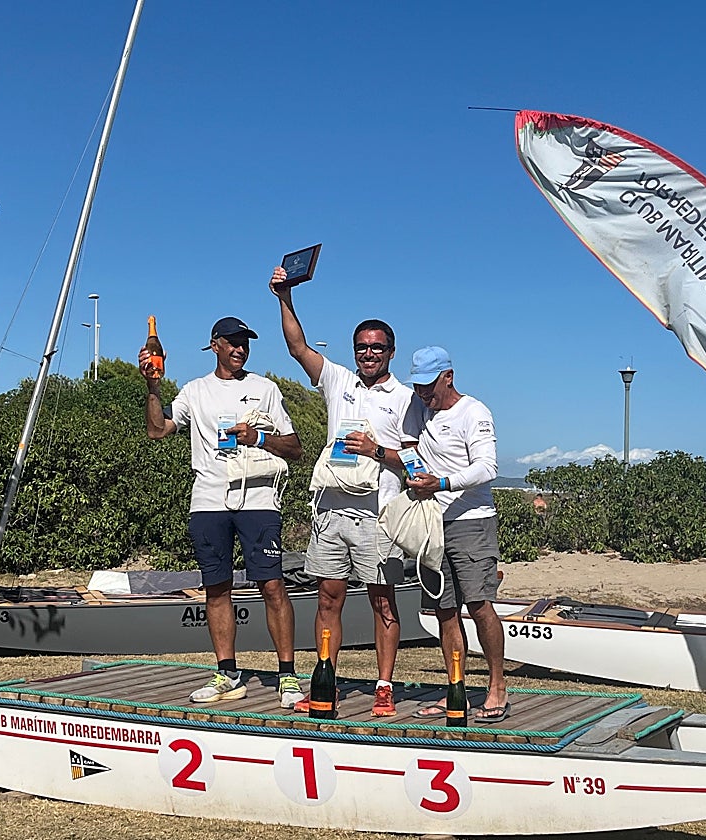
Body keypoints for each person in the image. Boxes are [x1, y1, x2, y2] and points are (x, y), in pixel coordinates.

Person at [140, 316, 305, 707]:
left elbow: (295, 448)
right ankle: (227, 673)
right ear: (214, 345)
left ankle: (288, 676)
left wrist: (259, 437)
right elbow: (157, 430)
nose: (240, 349)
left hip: (259, 500)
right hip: (209, 501)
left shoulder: (264, 388)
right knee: (216, 589)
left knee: (272, 585)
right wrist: (151, 386)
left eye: (245, 343)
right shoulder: (195, 391)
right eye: (231, 343)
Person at [271, 265, 413, 717]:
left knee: (382, 600)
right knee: (327, 597)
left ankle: (384, 686)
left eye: (377, 348)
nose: (368, 354)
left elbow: (413, 464)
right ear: (354, 351)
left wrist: (376, 451)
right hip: (331, 510)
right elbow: (297, 347)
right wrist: (284, 296)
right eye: (362, 347)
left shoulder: (407, 399)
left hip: (379, 513)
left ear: (391, 352)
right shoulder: (338, 380)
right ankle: (325, 676)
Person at [402, 347, 508, 722]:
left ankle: (497, 687)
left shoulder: (474, 412)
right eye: (418, 387)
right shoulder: (419, 408)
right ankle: (456, 690)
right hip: (432, 523)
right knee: (445, 610)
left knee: (479, 605)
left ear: (448, 375)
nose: (423, 395)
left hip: (472, 520)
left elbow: (487, 468)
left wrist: (442, 483)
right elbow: (407, 446)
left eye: (429, 387)